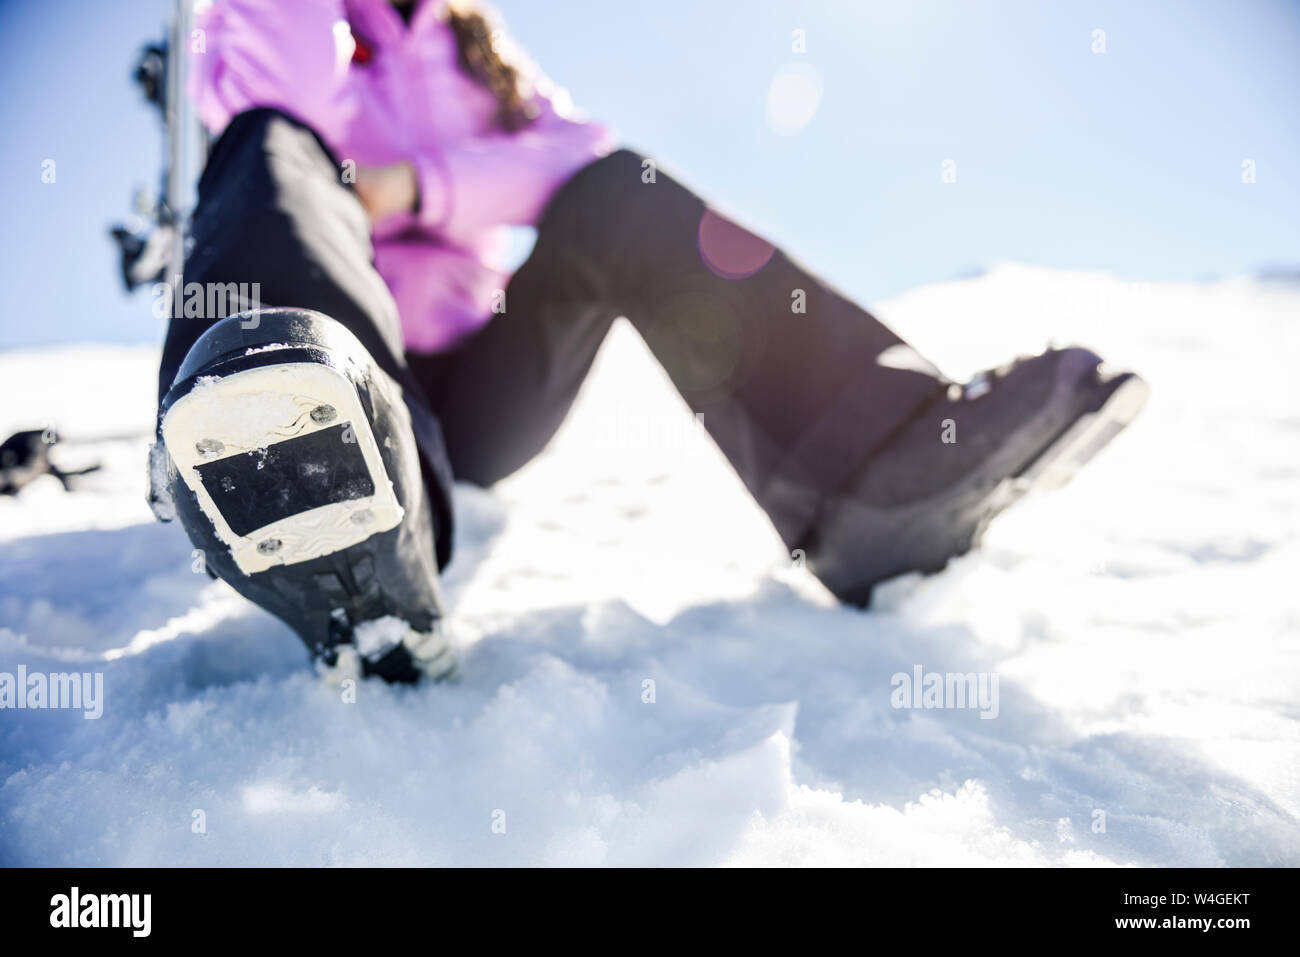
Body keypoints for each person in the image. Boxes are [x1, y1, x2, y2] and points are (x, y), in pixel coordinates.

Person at [152, 0, 1148, 682]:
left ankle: (869, 480)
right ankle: (326, 497)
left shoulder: (467, 44)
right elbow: (270, 118)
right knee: (269, 147)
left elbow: (572, 152)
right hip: (357, 382)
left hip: (487, 384)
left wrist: (414, 187)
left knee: (615, 191)